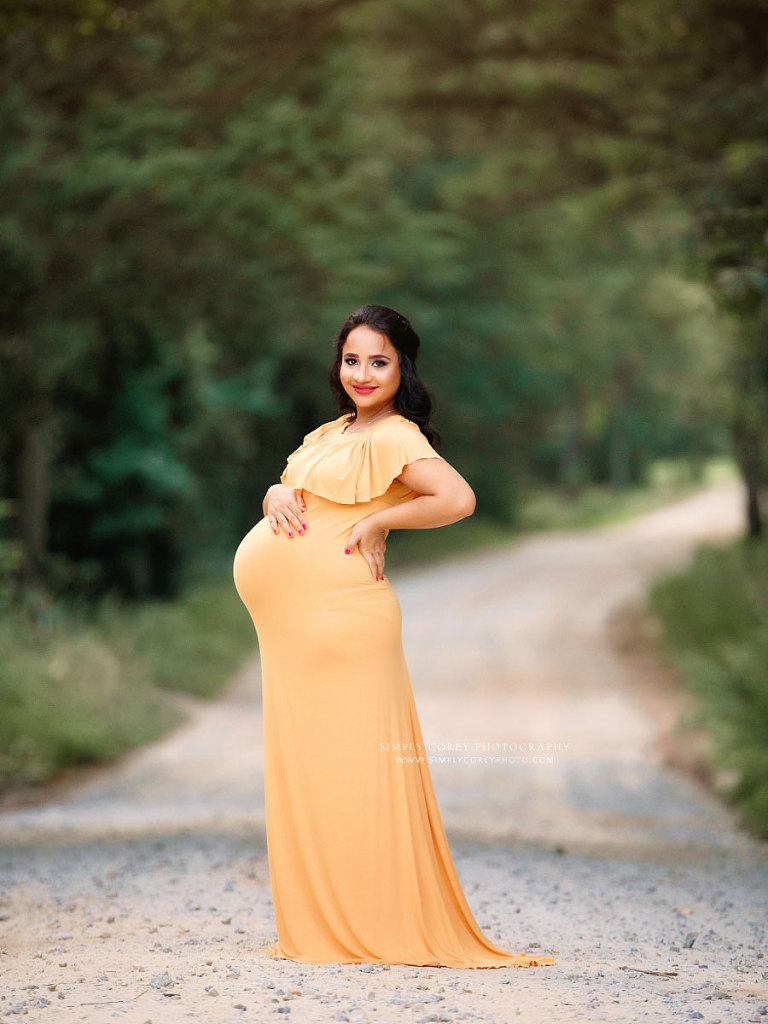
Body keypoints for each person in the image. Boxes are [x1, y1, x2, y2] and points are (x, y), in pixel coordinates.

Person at [233, 304, 555, 969]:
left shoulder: (396, 436)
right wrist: (273, 492)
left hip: (344, 620)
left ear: (401, 366)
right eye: (352, 359)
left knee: (357, 772)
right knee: (314, 771)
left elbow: (456, 498)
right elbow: (307, 497)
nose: (362, 372)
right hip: (297, 629)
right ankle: (327, 918)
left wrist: (384, 525)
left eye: (378, 361)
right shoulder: (334, 432)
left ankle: (371, 920)